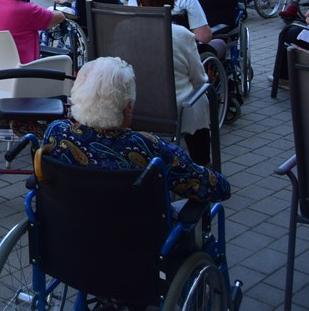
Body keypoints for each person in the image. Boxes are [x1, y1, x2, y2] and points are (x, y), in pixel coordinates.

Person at [43, 56, 229, 203]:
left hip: (70, 236)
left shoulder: (57, 133)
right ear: (127, 108)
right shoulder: (148, 147)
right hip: (138, 243)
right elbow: (215, 188)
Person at [135, 0, 213, 165]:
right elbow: (199, 79)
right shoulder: (182, 34)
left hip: (135, 106)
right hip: (175, 109)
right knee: (200, 99)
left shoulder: (124, 29)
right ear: (171, 5)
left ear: (140, 4)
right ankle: (201, 165)